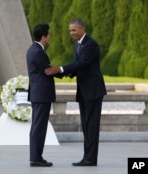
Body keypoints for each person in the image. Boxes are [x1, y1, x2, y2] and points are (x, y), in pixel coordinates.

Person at [45, 18, 107, 166]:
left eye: (74, 30)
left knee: (91, 125)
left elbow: (82, 64)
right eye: (70, 30)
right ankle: (87, 158)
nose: (71, 33)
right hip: (84, 91)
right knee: (86, 125)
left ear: (82, 29)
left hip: (93, 91)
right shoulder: (77, 46)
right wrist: (56, 72)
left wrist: (60, 69)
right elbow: (77, 69)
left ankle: (90, 159)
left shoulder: (91, 45)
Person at [26, 24, 62, 167]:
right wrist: (67, 71)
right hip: (41, 94)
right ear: (44, 36)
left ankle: (36, 156)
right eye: (49, 34)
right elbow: (49, 70)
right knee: (39, 127)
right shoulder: (37, 52)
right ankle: (36, 158)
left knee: (37, 126)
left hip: (38, 94)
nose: (50, 36)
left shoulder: (33, 49)